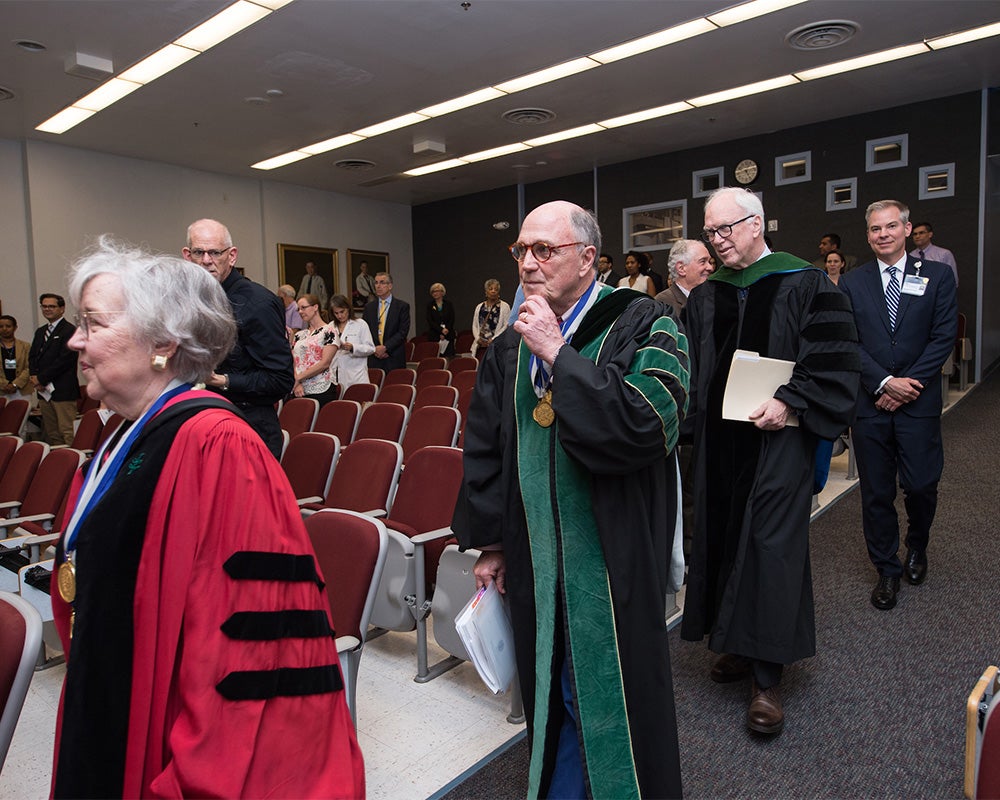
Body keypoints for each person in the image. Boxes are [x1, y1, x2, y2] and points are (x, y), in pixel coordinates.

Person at [50, 236, 364, 798]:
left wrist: (194, 783)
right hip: (110, 701)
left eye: (93, 323)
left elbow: (253, 649)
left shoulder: (217, 448)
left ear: (162, 344)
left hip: (172, 757)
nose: (76, 339)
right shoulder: (126, 436)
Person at [453, 200, 687, 799]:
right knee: (550, 687)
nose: (528, 263)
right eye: (521, 250)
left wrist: (560, 355)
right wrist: (492, 543)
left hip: (612, 555)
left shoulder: (645, 322)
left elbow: (647, 426)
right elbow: (488, 446)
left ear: (588, 258)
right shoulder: (509, 347)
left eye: (544, 250)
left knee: (608, 695)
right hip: (533, 555)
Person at [680, 187, 860, 736]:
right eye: (710, 232)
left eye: (725, 229)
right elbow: (691, 367)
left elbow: (833, 355)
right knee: (722, 537)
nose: (716, 241)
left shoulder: (804, 282)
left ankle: (767, 677)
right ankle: (735, 645)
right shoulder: (705, 296)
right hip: (717, 445)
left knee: (769, 547)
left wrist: (789, 400)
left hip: (778, 443)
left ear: (756, 224)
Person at [839, 201, 958, 611]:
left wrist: (908, 385)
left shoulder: (938, 276)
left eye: (891, 226)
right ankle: (886, 569)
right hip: (871, 405)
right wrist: (884, 382)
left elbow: (942, 336)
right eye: (875, 229)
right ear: (868, 234)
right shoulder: (851, 284)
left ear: (907, 229)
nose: (883, 234)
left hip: (918, 401)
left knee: (922, 484)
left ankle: (917, 545)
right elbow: (847, 342)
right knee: (876, 492)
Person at [182, 218, 293, 459]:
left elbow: (280, 380)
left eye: (214, 252)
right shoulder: (190, 300)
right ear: (187, 256)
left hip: (248, 431)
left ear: (231, 256)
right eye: (199, 252)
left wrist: (220, 380)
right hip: (203, 425)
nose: (206, 260)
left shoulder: (257, 303)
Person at [28, 293, 79, 445]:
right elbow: (33, 357)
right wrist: (34, 377)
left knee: (67, 431)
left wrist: (41, 378)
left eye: (52, 306)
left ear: (62, 309)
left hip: (62, 390)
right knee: (51, 433)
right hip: (44, 392)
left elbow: (65, 360)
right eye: (44, 306)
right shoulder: (40, 331)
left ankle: (73, 465)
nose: (47, 309)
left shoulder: (69, 330)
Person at [291, 294, 340, 406]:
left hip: (321, 387)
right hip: (300, 388)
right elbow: (294, 361)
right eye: (298, 309)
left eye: (303, 307)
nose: (300, 311)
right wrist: (297, 383)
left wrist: (298, 378)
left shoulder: (329, 331)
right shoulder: (299, 335)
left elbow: (325, 363)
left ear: (315, 307)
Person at [362, 271, 410, 372]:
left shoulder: (402, 306)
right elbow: (365, 331)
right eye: (376, 282)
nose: (378, 286)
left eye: (382, 282)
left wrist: (385, 347)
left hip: (393, 356)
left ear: (390, 286)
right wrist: (375, 349)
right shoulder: (369, 307)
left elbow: (402, 332)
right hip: (374, 358)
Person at [329, 294, 375, 390]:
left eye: (342, 312)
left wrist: (353, 347)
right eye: (336, 313)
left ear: (348, 309)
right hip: (335, 374)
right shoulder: (330, 326)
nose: (340, 316)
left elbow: (371, 348)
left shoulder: (360, 324)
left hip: (356, 375)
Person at [655, 238, 714, 313]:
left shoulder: (712, 298)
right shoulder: (662, 304)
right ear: (681, 269)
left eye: (709, 262)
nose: (710, 268)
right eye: (703, 262)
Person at [470, 278, 510, 356]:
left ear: (498, 292)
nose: (493, 291)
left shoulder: (505, 306)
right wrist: (478, 339)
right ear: (486, 292)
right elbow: (475, 325)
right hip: (480, 345)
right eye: (490, 289)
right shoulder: (479, 307)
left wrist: (493, 339)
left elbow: (506, 325)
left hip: (496, 345)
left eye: (495, 289)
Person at [910, 221, 958, 285]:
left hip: (938, 292)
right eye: (915, 234)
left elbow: (953, 280)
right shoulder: (911, 256)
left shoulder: (944, 254)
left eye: (921, 233)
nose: (917, 236)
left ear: (930, 234)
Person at [1, 314, 33, 402]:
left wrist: (15, 384)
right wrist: (5, 384)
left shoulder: (25, 346)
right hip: (1, 390)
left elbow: (29, 367)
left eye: (8, 326)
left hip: (22, 390)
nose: (4, 329)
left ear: (15, 328)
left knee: (20, 414)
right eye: (1, 326)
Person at [425, 282, 456, 357]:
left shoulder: (448, 304)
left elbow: (451, 319)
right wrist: (441, 330)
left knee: (448, 357)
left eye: (437, 291)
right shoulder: (430, 305)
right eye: (433, 291)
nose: (435, 293)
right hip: (435, 335)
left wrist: (446, 330)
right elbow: (430, 321)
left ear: (442, 292)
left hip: (448, 335)